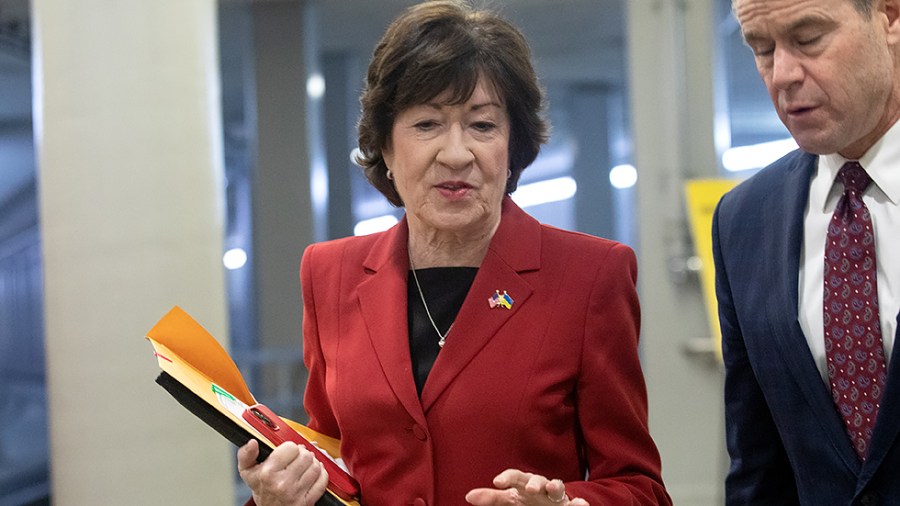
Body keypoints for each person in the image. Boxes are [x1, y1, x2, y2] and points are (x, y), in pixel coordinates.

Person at [237, 1, 671, 505]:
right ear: (386, 147)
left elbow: (641, 487)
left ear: (514, 147)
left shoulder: (590, 275)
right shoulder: (329, 273)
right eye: (427, 124)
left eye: (482, 126)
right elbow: (328, 462)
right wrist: (277, 497)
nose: (456, 153)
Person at [713, 0, 900, 503]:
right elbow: (757, 464)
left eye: (808, 37)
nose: (783, 75)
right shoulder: (745, 221)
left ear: (889, 17)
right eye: (762, 49)